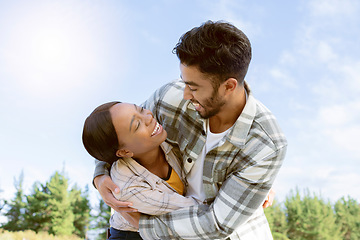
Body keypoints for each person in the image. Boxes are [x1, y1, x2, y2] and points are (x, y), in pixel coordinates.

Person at [94, 20, 287, 239]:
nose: (185, 94)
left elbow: (216, 224)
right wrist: (100, 175)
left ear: (229, 86)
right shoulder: (170, 97)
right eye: (184, 82)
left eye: (193, 87)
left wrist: (146, 227)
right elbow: (114, 132)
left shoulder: (266, 144)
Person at [83, 102, 199, 239]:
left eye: (141, 109)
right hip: (132, 235)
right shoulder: (126, 185)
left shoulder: (164, 141)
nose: (148, 117)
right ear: (125, 151)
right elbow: (192, 210)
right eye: (137, 125)